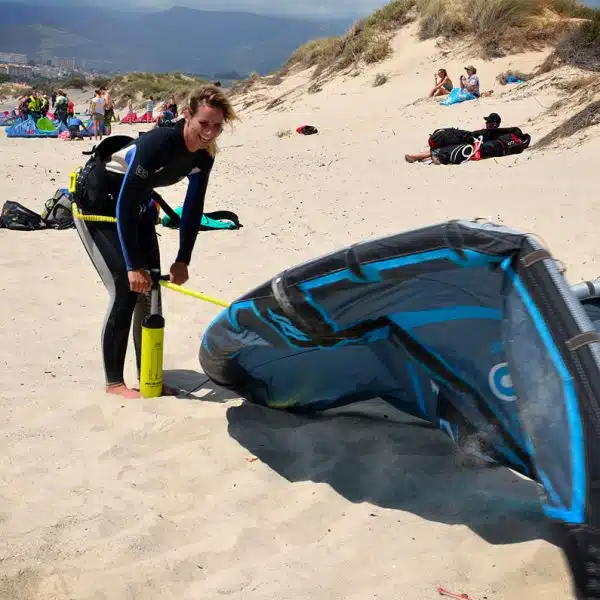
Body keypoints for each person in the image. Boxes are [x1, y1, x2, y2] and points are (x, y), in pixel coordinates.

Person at [73, 85, 237, 400]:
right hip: (98, 210)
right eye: (204, 123)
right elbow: (123, 203)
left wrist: (183, 259)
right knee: (126, 285)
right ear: (187, 115)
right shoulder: (159, 143)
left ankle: (149, 378)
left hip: (137, 209)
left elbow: (193, 207)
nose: (210, 132)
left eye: (217, 126)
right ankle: (114, 383)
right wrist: (134, 265)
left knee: (151, 292)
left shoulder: (205, 154)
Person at [404, 113, 502, 163]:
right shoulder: (488, 131)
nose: (486, 123)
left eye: (488, 122)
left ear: (494, 124)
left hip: (469, 145)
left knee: (445, 149)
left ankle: (418, 157)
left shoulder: (492, 134)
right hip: (467, 140)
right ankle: (419, 157)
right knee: (444, 147)